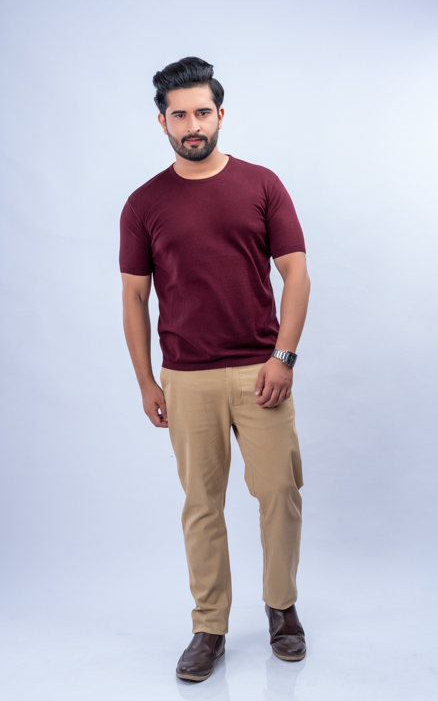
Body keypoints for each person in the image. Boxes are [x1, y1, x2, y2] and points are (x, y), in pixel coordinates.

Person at [119, 56, 311, 682]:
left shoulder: (261, 184)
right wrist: (147, 380)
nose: (192, 125)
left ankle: (281, 608)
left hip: (261, 371)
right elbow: (134, 297)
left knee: (279, 493)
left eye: (202, 112)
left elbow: (296, 273)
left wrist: (283, 356)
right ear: (163, 123)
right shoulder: (144, 203)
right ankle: (209, 627)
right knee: (202, 504)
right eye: (179, 115)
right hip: (187, 377)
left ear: (220, 114)